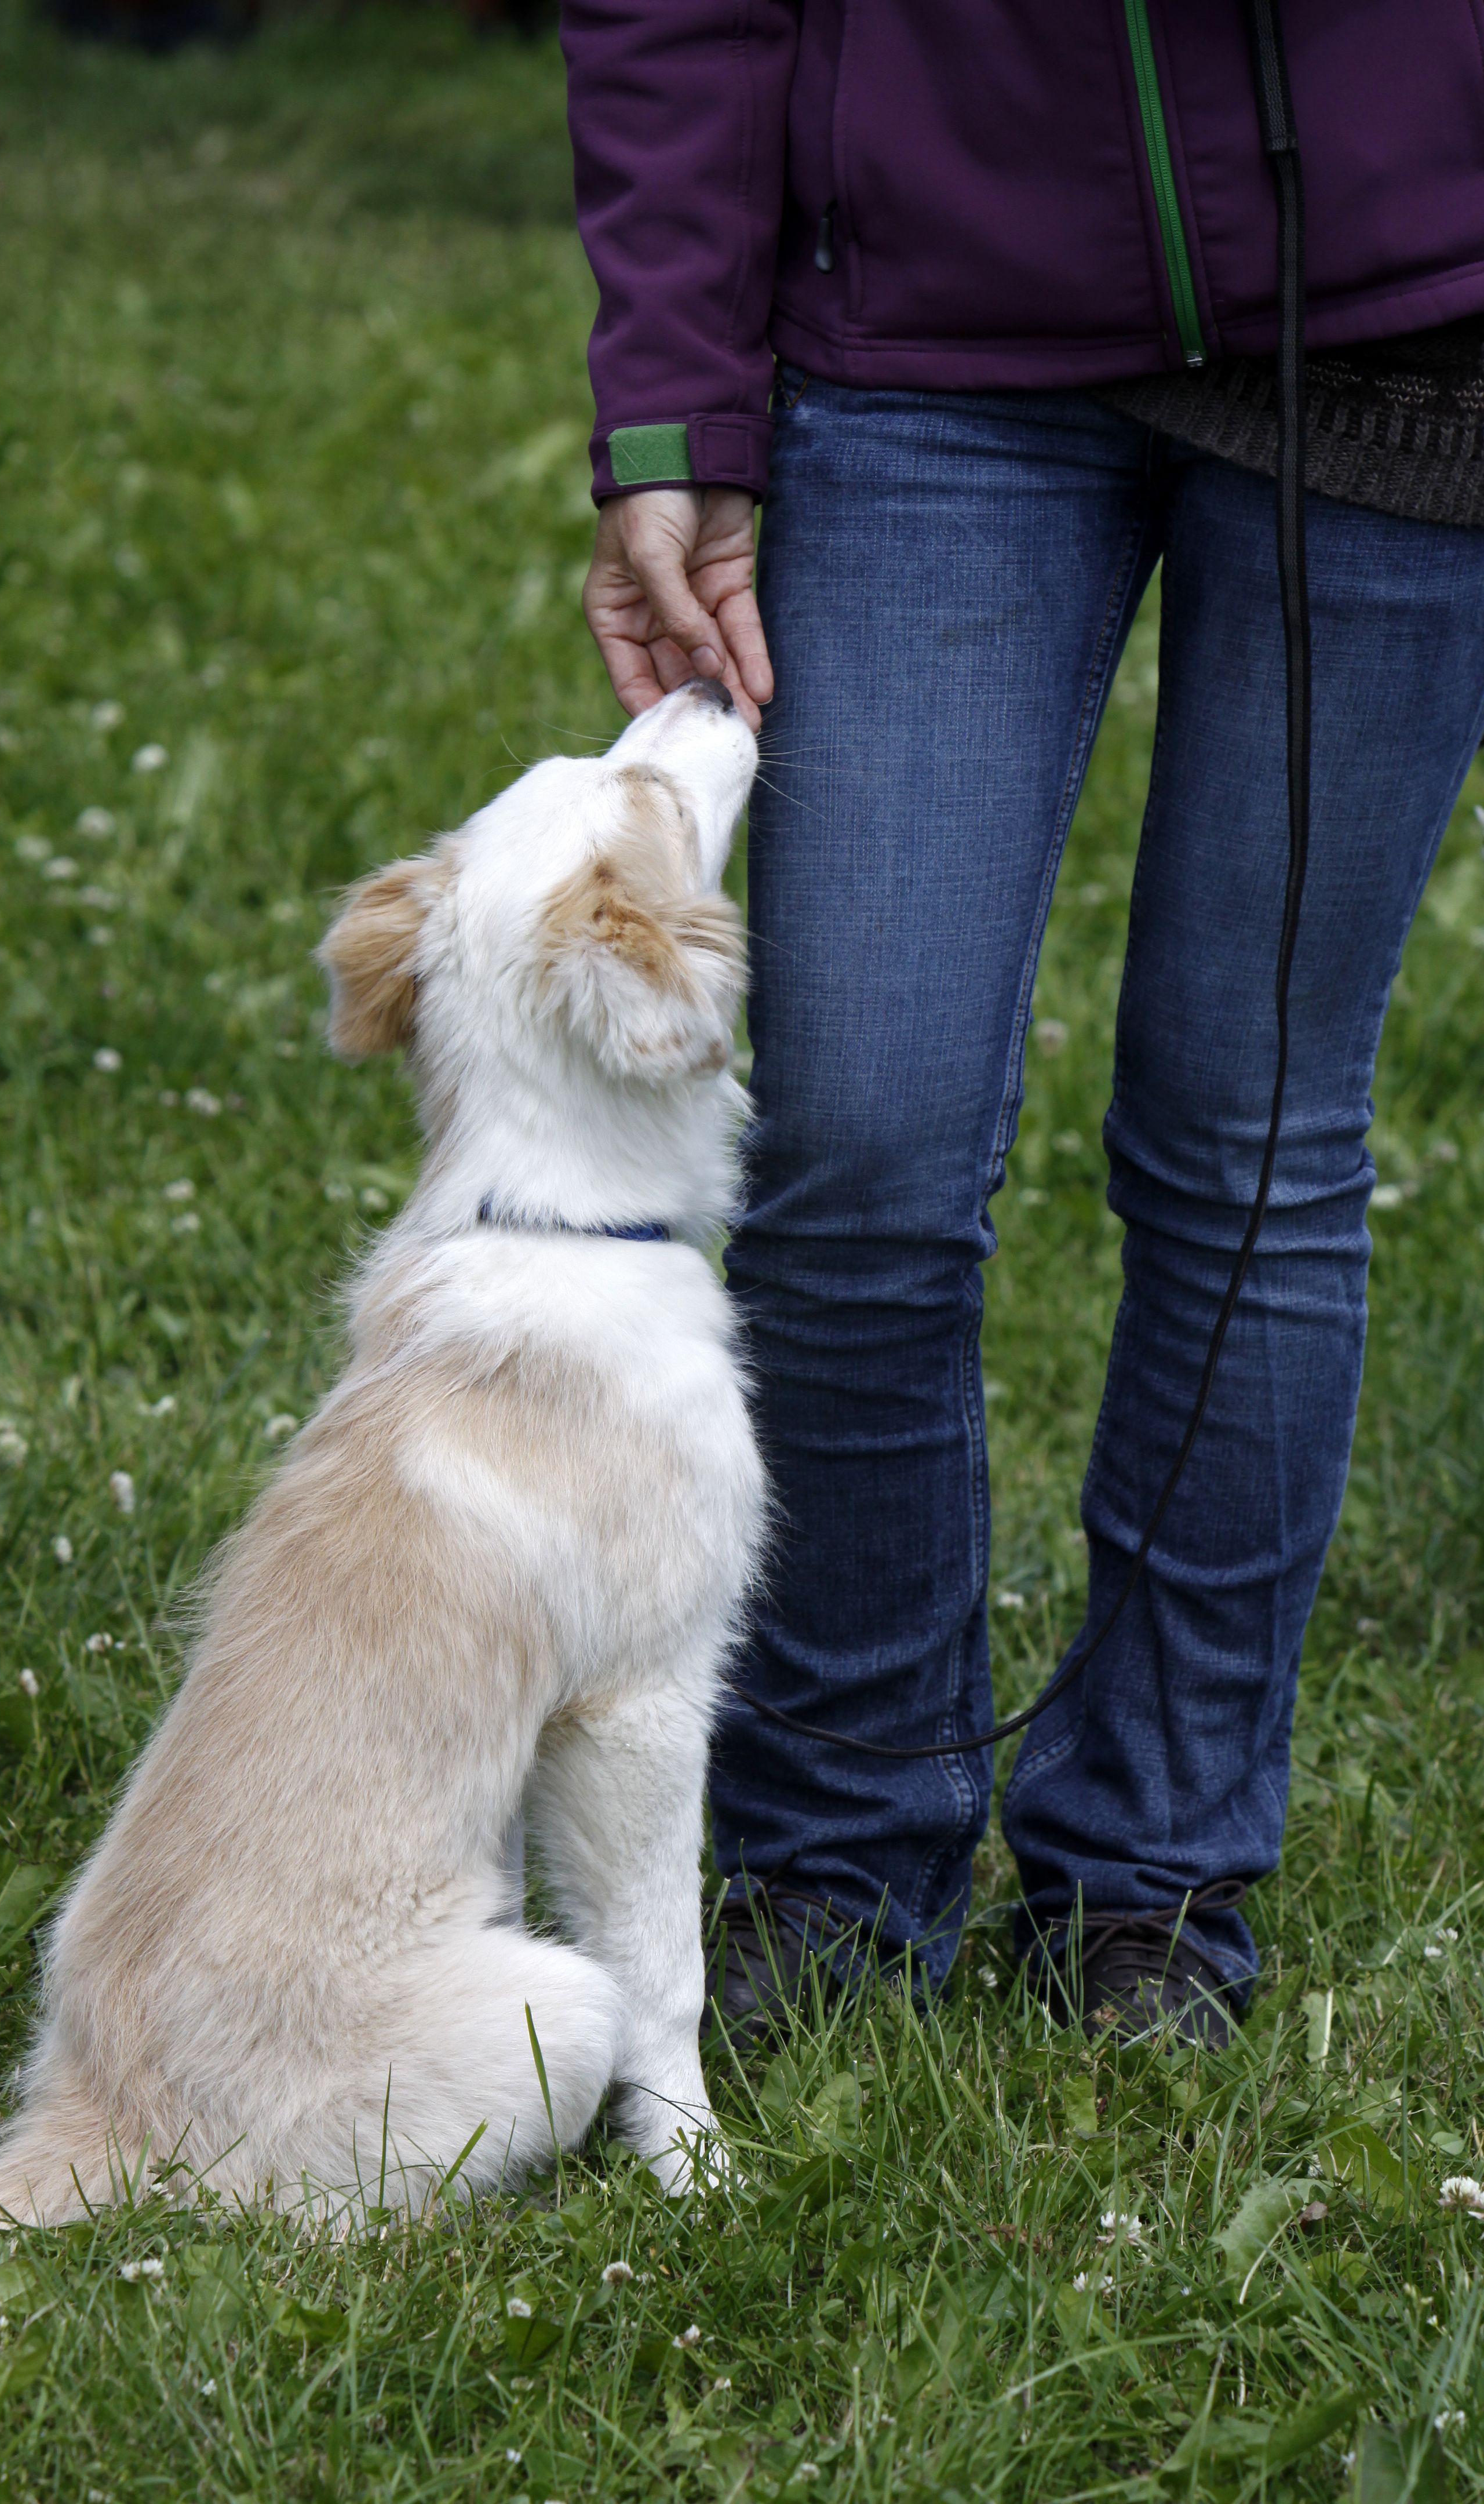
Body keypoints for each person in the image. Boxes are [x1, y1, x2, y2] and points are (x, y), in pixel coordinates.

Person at [560, 0, 1484, 2044]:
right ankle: (831, 1856)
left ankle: (1156, 1882)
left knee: (1251, 1138)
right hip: (933, 338)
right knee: (856, 1155)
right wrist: (672, 406)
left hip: (1407, 316)